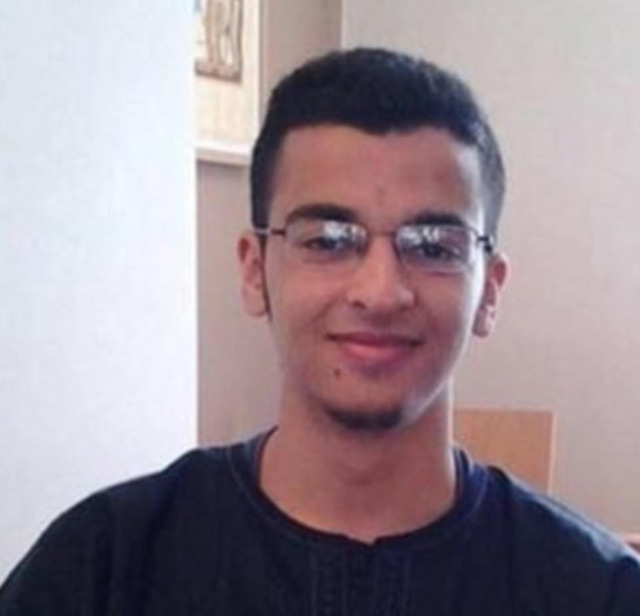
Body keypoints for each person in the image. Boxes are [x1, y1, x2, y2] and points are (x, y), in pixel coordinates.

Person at [1, 47, 639, 615]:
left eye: (432, 245)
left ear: (489, 290)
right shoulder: (101, 569)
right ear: (255, 271)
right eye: (329, 239)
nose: (380, 292)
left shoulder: (596, 592)